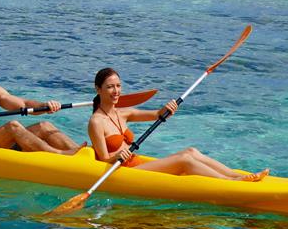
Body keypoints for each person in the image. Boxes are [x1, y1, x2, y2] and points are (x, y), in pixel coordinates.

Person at [85, 66, 267, 180]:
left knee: (191, 151)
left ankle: (236, 174)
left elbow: (157, 114)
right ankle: (231, 182)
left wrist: (167, 109)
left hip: (137, 164)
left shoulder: (124, 113)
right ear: (98, 89)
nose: (116, 91)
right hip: (123, 172)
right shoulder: (96, 122)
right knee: (184, 160)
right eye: (110, 87)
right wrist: (118, 155)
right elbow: (103, 160)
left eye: (118, 86)